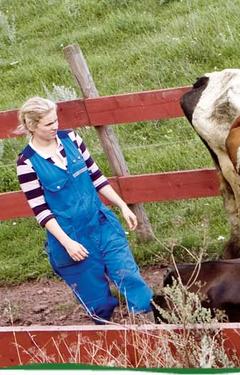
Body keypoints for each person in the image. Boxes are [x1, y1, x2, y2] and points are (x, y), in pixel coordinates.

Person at [14, 97, 153, 324]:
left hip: (101, 223)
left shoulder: (72, 139)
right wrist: (68, 243)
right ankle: (108, 335)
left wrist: (122, 206)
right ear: (31, 126)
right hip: (70, 236)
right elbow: (41, 210)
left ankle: (149, 325)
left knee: (128, 275)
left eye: (55, 120)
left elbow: (96, 177)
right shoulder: (27, 163)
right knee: (96, 300)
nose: (55, 126)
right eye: (48, 124)